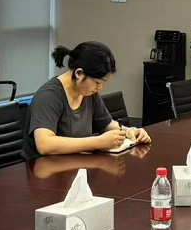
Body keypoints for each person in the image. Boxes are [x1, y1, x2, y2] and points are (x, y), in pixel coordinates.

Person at [23, 42, 151, 159]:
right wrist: (99, 142)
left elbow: (107, 124)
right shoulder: (49, 96)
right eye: (98, 82)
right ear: (79, 73)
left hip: (76, 165)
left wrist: (130, 131)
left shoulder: (88, 93)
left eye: (104, 82)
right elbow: (45, 145)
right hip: (44, 170)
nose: (100, 87)